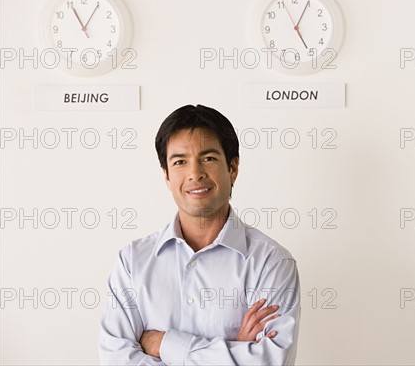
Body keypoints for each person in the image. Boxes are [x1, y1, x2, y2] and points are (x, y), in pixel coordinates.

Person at [99, 104, 300, 365]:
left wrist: (163, 344)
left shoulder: (272, 263)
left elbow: (270, 362)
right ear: (167, 177)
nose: (195, 173)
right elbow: (116, 360)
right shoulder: (132, 262)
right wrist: (234, 351)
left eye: (208, 158)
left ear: (233, 168)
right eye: (180, 161)